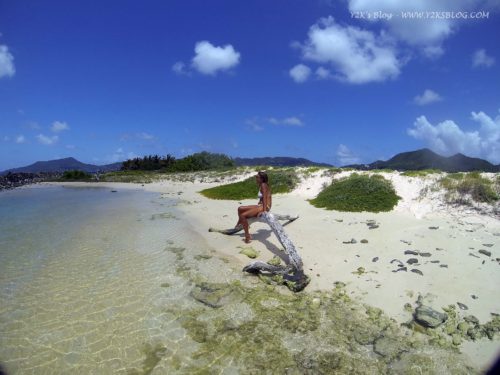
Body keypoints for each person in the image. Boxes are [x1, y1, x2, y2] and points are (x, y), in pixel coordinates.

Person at [236, 171, 272, 243]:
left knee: (243, 215)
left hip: (265, 206)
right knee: (240, 208)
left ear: (262, 179)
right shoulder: (262, 185)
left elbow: (265, 198)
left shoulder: (263, 185)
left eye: (257, 177)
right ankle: (242, 223)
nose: (256, 178)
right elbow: (264, 196)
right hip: (261, 205)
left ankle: (247, 236)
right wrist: (260, 201)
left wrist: (264, 211)